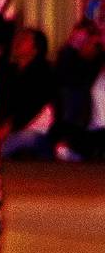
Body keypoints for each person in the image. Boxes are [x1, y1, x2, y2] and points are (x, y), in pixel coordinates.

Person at [49, 20, 103, 161]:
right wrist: (72, 46)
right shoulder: (84, 68)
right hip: (88, 128)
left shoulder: (93, 67)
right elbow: (63, 78)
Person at [0, 27, 53, 158]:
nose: (18, 41)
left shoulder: (43, 73)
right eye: (18, 37)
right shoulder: (9, 72)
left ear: (35, 49)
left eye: (24, 38)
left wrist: (7, 129)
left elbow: (29, 108)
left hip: (36, 132)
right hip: (8, 130)